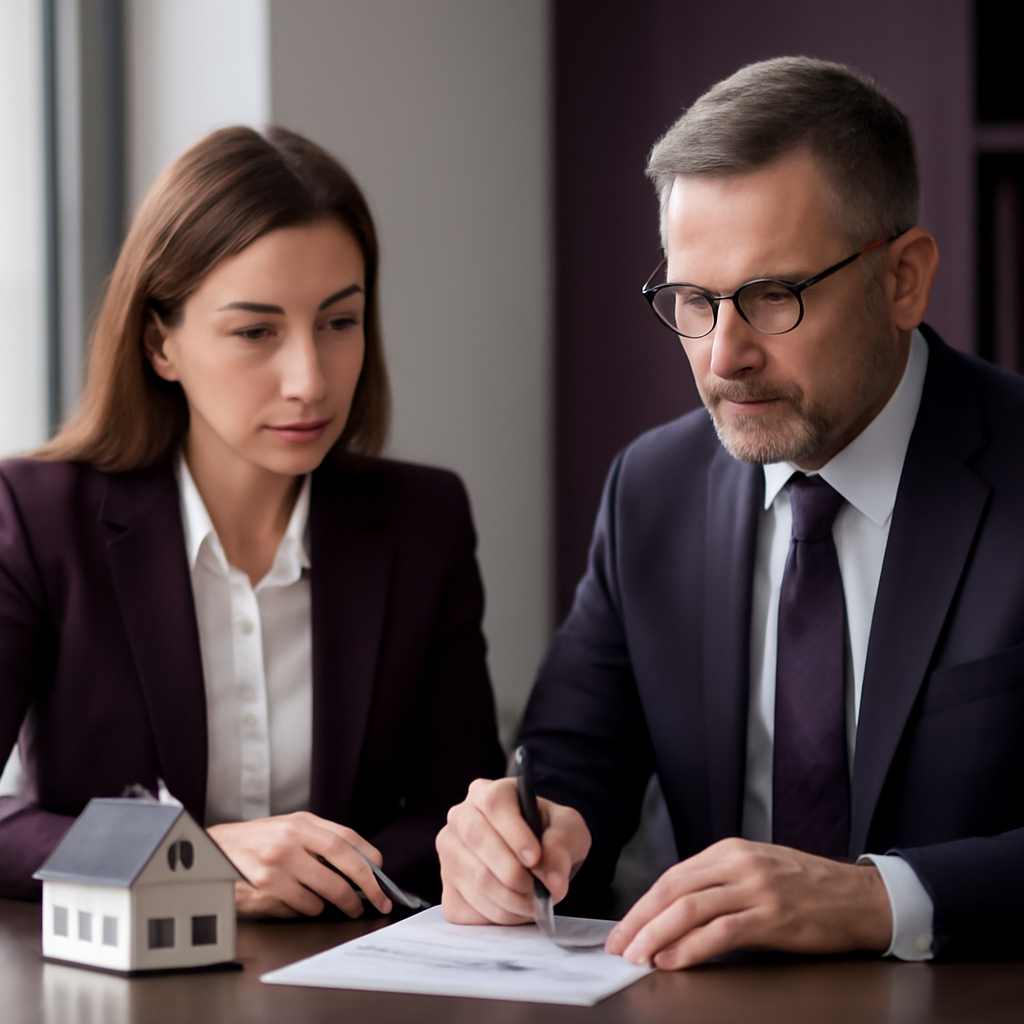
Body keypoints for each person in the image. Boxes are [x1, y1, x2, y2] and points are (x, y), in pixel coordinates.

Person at [437, 57, 1024, 966]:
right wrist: (523, 838)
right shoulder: (652, 490)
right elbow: (570, 760)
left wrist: (879, 899)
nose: (723, 357)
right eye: (692, 302)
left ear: (904, 279)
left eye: (772, 297)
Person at [0, 125, 505, 915]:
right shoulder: (36, 517)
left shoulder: (424, 520)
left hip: (350, 976)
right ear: (159, 342)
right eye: (255, 331)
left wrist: (324, 875)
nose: (309, 379)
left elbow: (459, 815)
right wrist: (182, 861)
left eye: (340, 323)